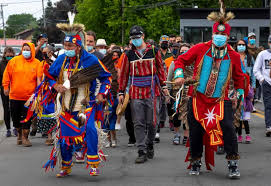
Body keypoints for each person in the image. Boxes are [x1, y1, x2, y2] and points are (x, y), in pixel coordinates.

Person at [174, 8, 244, 179]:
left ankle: (232, 163)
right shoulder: (200, 49)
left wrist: (239, 94)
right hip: (197, 98)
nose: (219, 37)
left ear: (227, 37)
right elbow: (181, 60)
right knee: (196, 131)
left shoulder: (233, 55)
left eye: (223, 35)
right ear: (212, 35)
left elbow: (240, 77)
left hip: (221, 100)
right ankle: (196, 161)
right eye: (216, 35)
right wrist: (179, 75)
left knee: (228, 128)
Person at [42, 23, 111, 177]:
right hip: (65, 106)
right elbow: (49, 77)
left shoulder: (90, 60)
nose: (67, 48)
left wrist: (101, 94)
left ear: (78, 46)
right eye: (65, 45)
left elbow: (107, 77)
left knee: (90, 130)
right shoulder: (61, 60)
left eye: (70, 45)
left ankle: (93, 163)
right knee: (65, 137)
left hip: (84, 105)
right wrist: (56, 85)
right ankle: (66, 166)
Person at [118, 25, 168, 163]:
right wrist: (121, 91)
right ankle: (141, 150)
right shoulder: (128, 55)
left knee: (152, 122)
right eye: (133, 38)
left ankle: (150, 143)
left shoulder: (154, 51)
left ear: (143, 36)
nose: (135, 40)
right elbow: (123, 74)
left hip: (152, 90)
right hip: (136, 91)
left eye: (137, 37)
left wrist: (164, 86)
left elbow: (160, 70)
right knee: (138, 122)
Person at [2, 42, 43, 147]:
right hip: (15, 96)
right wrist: (5, 87)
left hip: (29, 97)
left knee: (27, 118)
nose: (25, 51)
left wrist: (39, 93)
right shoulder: (14, 61)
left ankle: (25, 137)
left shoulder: (37, 63)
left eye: (28, 50)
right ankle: (19, 134)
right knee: (15, 118)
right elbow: (7, 75)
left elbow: (39, 79)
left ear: (32, 50)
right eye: (24, 49)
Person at [167, 43, 190, 145]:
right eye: (182, 52)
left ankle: (186, 136)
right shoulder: (174, 63)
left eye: (186, 51)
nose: (184, 53)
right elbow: (168, 79)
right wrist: (168, 93)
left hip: (189, 93)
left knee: (188, 115)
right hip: (176, 93)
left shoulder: (195, 64)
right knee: (176, 114)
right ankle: (176, 135)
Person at [235, 39, 255, 143]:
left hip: (248, 86)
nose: (241, 46)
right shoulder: (234, 56)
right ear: (236, 46)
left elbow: (253, 72)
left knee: (245, 116)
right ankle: (239, 136)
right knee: (237, 115)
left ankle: (247, 135)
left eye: (243, 44)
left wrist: (253, 87)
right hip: (237, 87)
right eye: (239, 44)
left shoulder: (250, 57)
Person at [253, 35, 271, 137]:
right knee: (268, 105)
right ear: (268, 43)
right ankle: (269, 126)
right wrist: (262, 79)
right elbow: (256, 69)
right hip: (267, 83)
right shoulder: (262, 54)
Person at [0, 47, 16, 137]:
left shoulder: (16, 63)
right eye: (8, 54)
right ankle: (8, 129)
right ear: (5, 54)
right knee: (6, 109)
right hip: (5, 89)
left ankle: (15, 127)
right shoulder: (1, 64)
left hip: (15, 88)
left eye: (11, 54)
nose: (9, 56)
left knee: (14, 108)